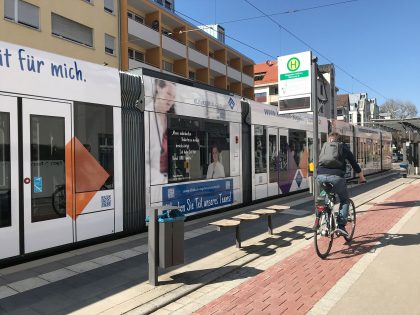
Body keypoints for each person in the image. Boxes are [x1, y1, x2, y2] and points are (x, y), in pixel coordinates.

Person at [316, 132, 366, 236]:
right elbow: (353, 163)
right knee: (344, 200)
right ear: (339, 140)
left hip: (320, 177)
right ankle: (341, 226)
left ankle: (322, 220)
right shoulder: (343, 147)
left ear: (329, 139)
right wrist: (361, 177)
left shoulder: (324, 147)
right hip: (337, 178)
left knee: (325, 196)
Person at [147, 79, 176, 185]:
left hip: (170, 180)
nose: (170, 100)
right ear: (159, 87)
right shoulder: (146, 118)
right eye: (168, 93)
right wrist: (163, 181)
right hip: (157, 182)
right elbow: (141, 163)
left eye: (173, 97)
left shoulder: (173, 119)